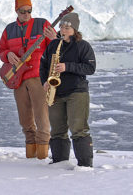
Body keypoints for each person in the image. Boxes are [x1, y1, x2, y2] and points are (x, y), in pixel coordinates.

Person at [0, 0, 57, 160]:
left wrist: (54, 39)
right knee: (25, 118)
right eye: (22, 11)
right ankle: (31, 152)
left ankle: (43, 154)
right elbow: (1, 49)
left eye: (29, 11)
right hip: (18, 78)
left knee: (42, 116)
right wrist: (7, 54)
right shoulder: (9, 30)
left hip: (38, 76)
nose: (26, 14)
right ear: (16, 11)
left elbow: (57, 47)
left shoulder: (42, 24)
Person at [40, 13, 96, 167]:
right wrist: (44, 81)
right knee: (57, 129)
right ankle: (59, 162)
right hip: (56, 92)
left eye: (67, 27)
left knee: (78, 128)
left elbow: (90, 67)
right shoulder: (53, 45)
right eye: (62, 27)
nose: (63, 30)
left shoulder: (83, 46)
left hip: (76, 92)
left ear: (74, 30)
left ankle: (85, 165)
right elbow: (43, 65)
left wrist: (67, 66)